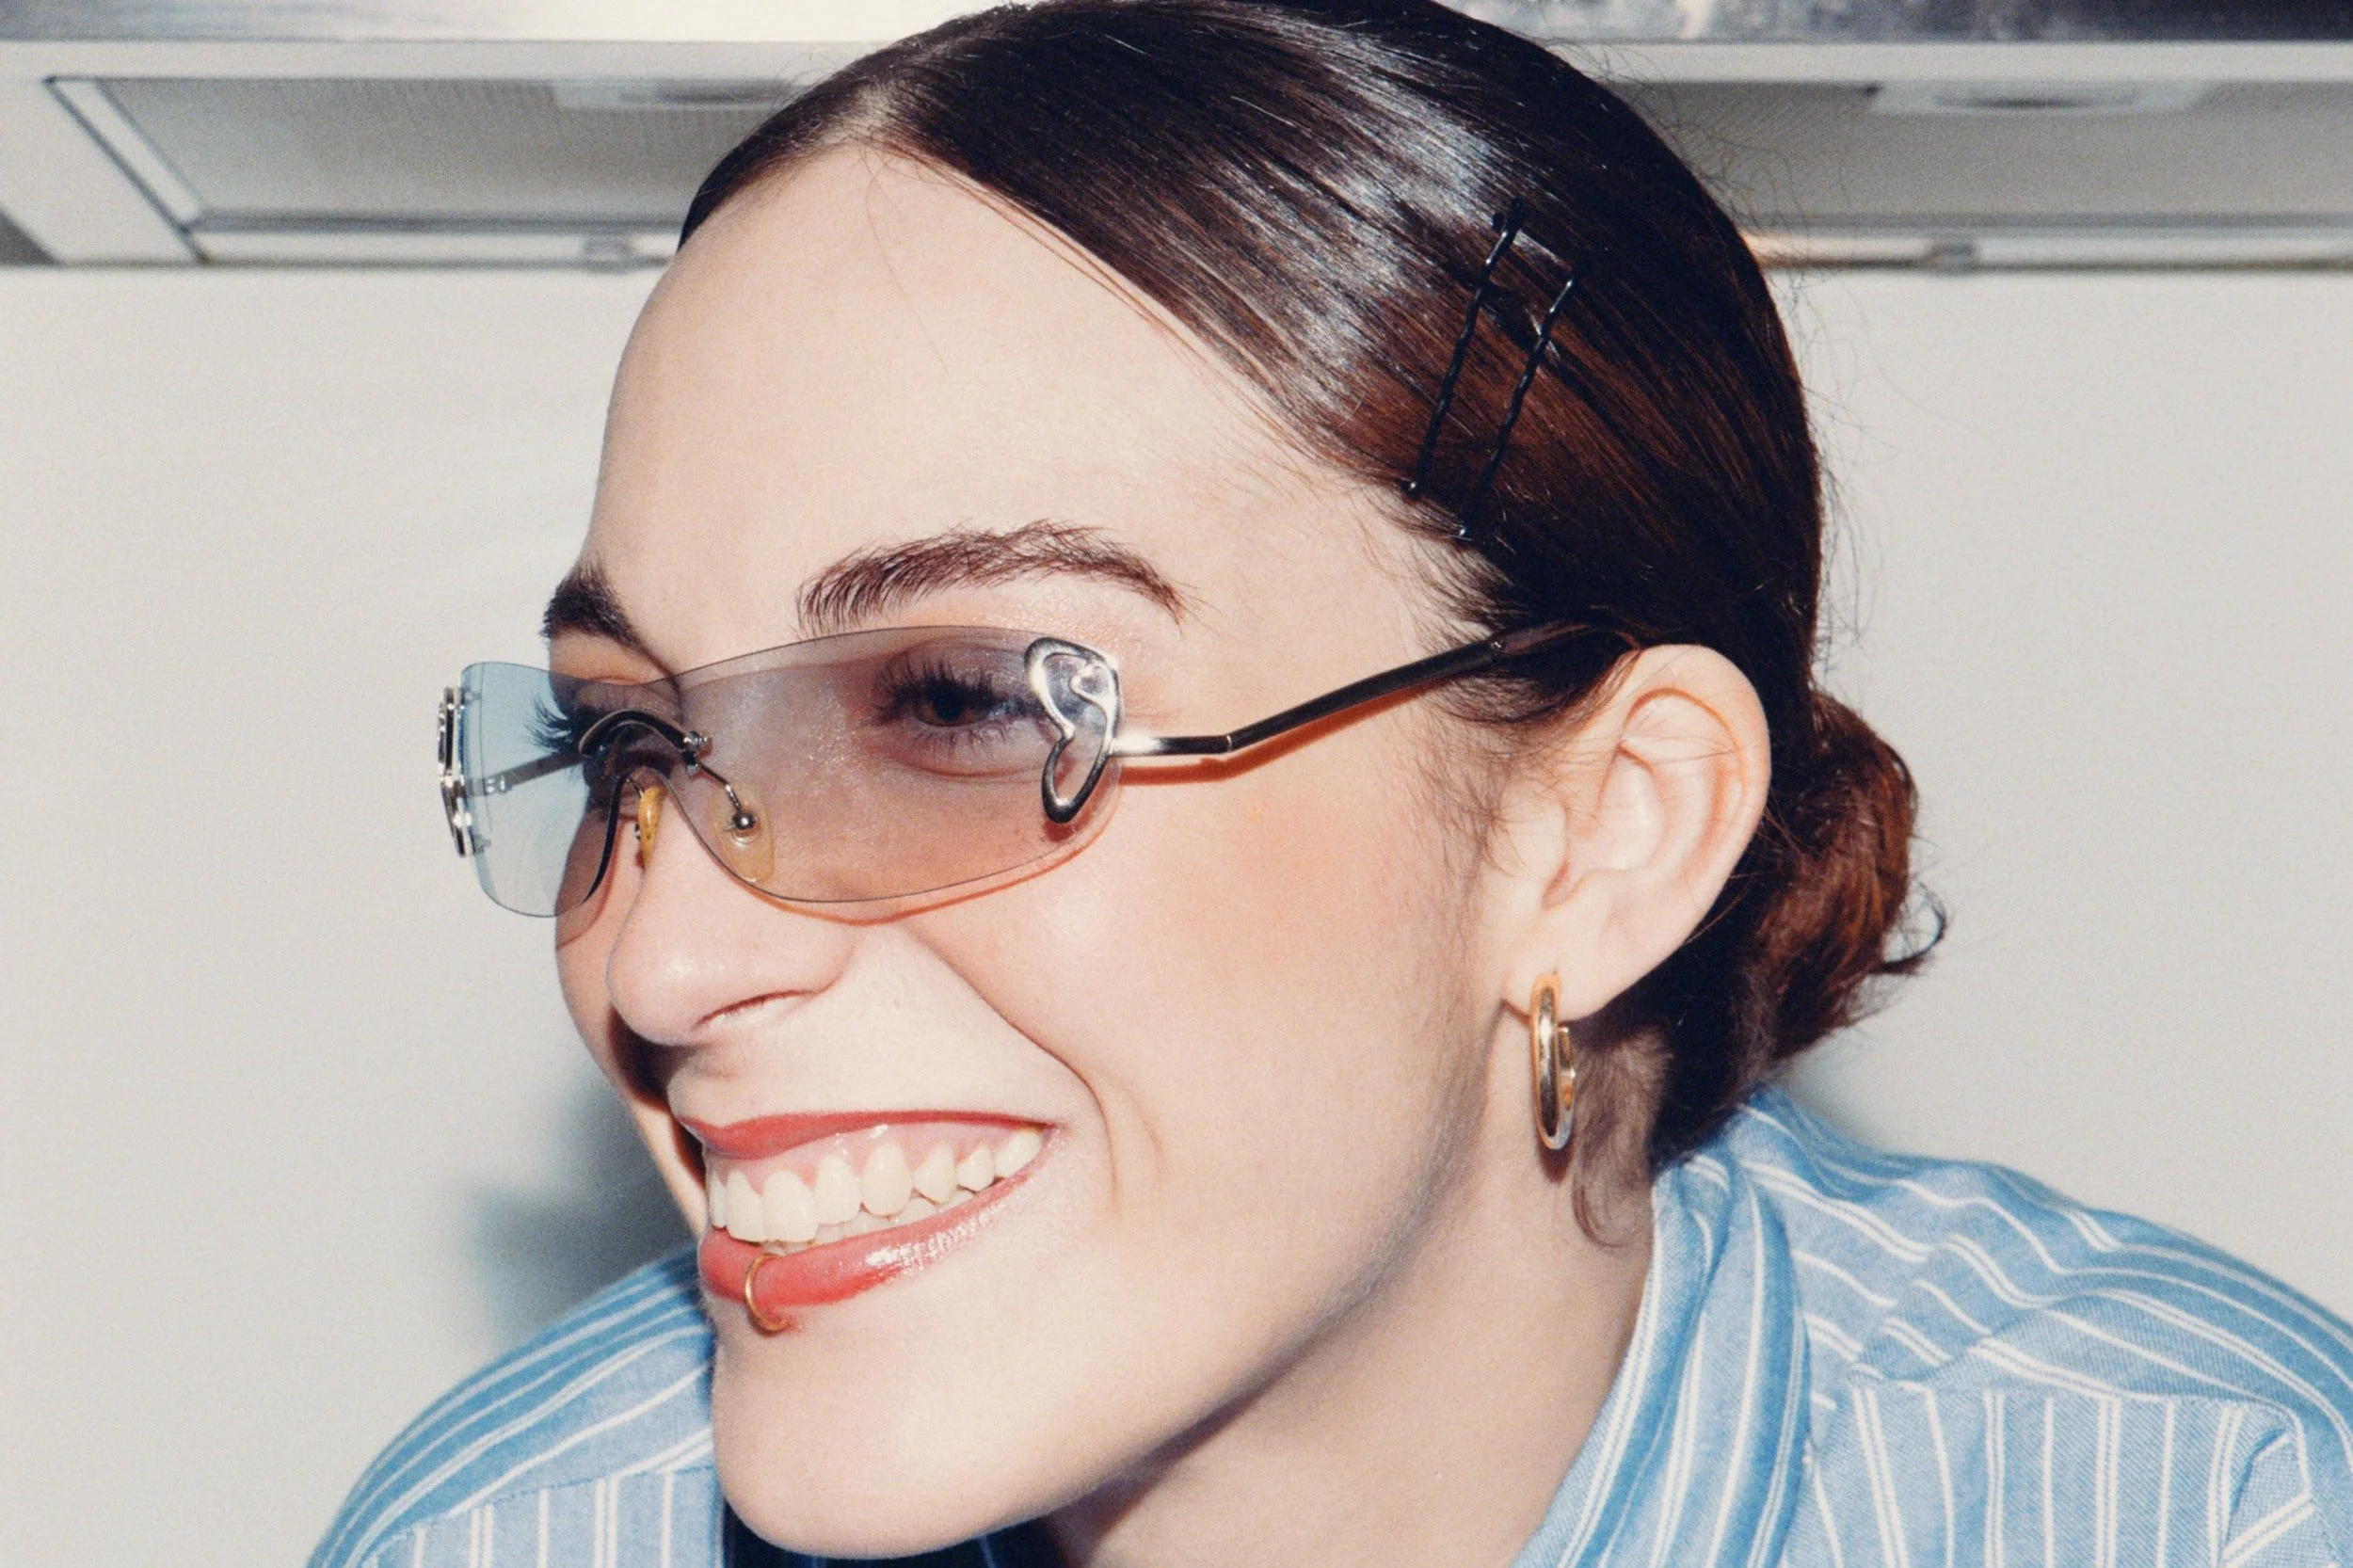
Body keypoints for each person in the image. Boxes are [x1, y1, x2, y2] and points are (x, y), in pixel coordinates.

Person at [312, 3, 2353, 1563]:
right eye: (624, 739)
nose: (659, 960)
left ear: (1599, 832)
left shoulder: (2205, 1501)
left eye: (954, 707)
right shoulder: (503, 1536)